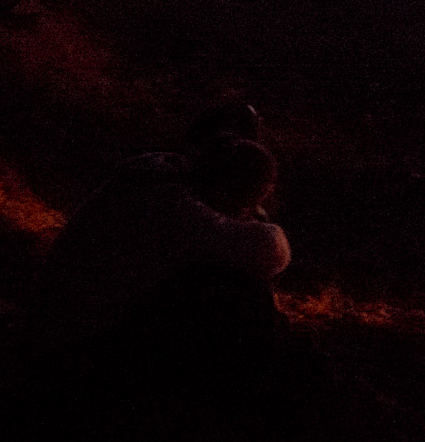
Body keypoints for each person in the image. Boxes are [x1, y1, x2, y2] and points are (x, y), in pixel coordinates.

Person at [39, 135, 292, 352]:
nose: (241, 215)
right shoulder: (174, 209)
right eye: (242, 207)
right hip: (77, 336)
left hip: (67, 318)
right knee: (241, 290)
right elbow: (272, 251)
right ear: (227, 191)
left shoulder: (157, 180)